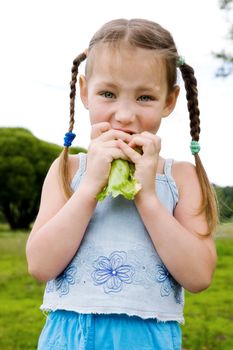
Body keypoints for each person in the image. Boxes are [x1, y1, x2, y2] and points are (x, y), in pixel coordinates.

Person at [26, 18, 218, 350]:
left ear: (169, 101)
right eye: (108, 94)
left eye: (144, 97)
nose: (125, 114)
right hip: (70, 334)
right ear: (85, 92)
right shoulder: (68, 168)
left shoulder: (181, 176)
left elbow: (199, 276)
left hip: (148, 337)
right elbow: (40, 266)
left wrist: (147, 198)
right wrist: (88, 188)